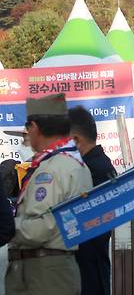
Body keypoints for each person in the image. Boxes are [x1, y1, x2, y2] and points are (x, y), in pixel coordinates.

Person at [7, 93, 93, 295]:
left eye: (28, 128)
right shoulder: (67, 163)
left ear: (35, 127)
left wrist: (7, 226)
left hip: (44, 273)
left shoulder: (52, 169)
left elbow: (43, 227)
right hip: (49, 268)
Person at [69, 106, 116, 295]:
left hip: (88, 261)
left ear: (76, 140)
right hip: (94, 259)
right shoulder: (101, 163)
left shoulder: (91, 168)